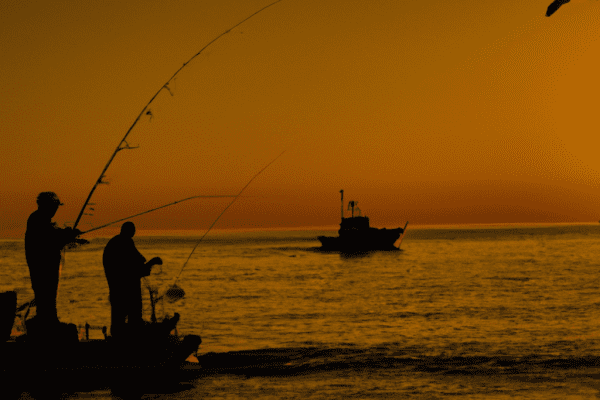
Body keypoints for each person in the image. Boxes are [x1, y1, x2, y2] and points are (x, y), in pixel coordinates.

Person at [24, 192, 85, 337]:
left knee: (49, 294)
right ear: (46, 205)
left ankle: (49, 320)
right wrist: (68, 235)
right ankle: (47, 322)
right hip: (42, 267)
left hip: (49, 265)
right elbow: (51, 239)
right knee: (45, 293)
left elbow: (56, 235)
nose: (55, 209)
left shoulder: (46, 221)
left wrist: (69, 234)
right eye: (54, 206)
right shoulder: (38, 220)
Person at [102, 221, 164, 338]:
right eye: (132, 230)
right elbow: (135, 265)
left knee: (119, 317)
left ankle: (123, 337)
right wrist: (151, 262)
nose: (134, 232)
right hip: (123, 288)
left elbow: (138, 262)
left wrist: (147, 264)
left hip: (118, 288)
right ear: (127, 231)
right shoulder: (123, 243)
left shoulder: (119, 242)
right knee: (126, 317)